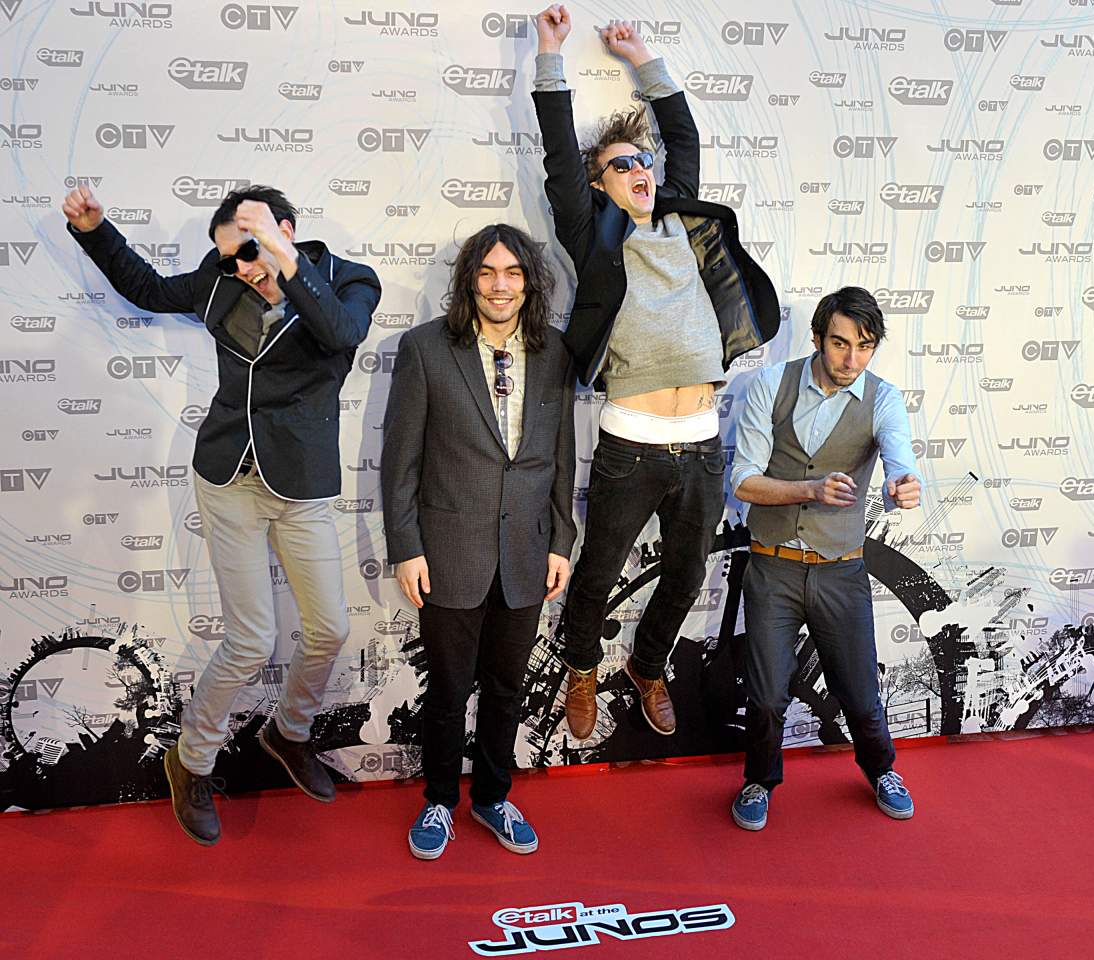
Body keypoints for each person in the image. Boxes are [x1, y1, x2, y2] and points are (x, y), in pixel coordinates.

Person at [62, 184, 381, 845]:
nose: (242, 268)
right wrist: (96, 229)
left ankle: (288, 734)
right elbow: (148, 290)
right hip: (228, 475)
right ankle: (192, 759)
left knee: (329, 629)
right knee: (250, 640)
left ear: (287, 232)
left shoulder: (349, 280)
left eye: (251, 251)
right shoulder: (222, 275)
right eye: (232, 257)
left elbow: (339, 333)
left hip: (300, 484)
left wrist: (283, 263)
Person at [531, 5, 780, 739]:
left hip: (703, 440)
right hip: (630, 442)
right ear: (600, 185)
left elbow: (682, 137)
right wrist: (551, 55)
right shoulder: (592, 234)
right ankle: (581, 667)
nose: (639, 171)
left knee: (686, 578)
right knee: (598, 576)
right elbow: (556, 157)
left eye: (641, 163)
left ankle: (646, 667)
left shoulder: (681, 219)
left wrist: (644, 58)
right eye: (621, 166)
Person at [380, 224, 576, 860]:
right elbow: (399, 462)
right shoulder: (426, 349)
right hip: (447, 554)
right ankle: (438, 800)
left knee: (506, 688)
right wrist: (406, 547)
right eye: (488, 273)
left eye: (513, 273)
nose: (500, 285)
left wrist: (561, 540)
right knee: (447, 688)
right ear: (469, 280)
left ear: (529, 283)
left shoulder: (555, 354)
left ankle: (492, 797)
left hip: (527, 552)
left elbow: (560, 460)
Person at [729, 287, 922, 829]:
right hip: (773, 566)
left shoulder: (883, 399)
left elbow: (898, 459)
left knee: (860, 692)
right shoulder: (770, 384)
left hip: (841, 570)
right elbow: (742, 480)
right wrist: (809, 490)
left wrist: (902, 486)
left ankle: (881, 769)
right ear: (817, 338)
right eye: (839, 344)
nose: (851, 360)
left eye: (864, 347)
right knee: (766, 698)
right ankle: (758, 781)